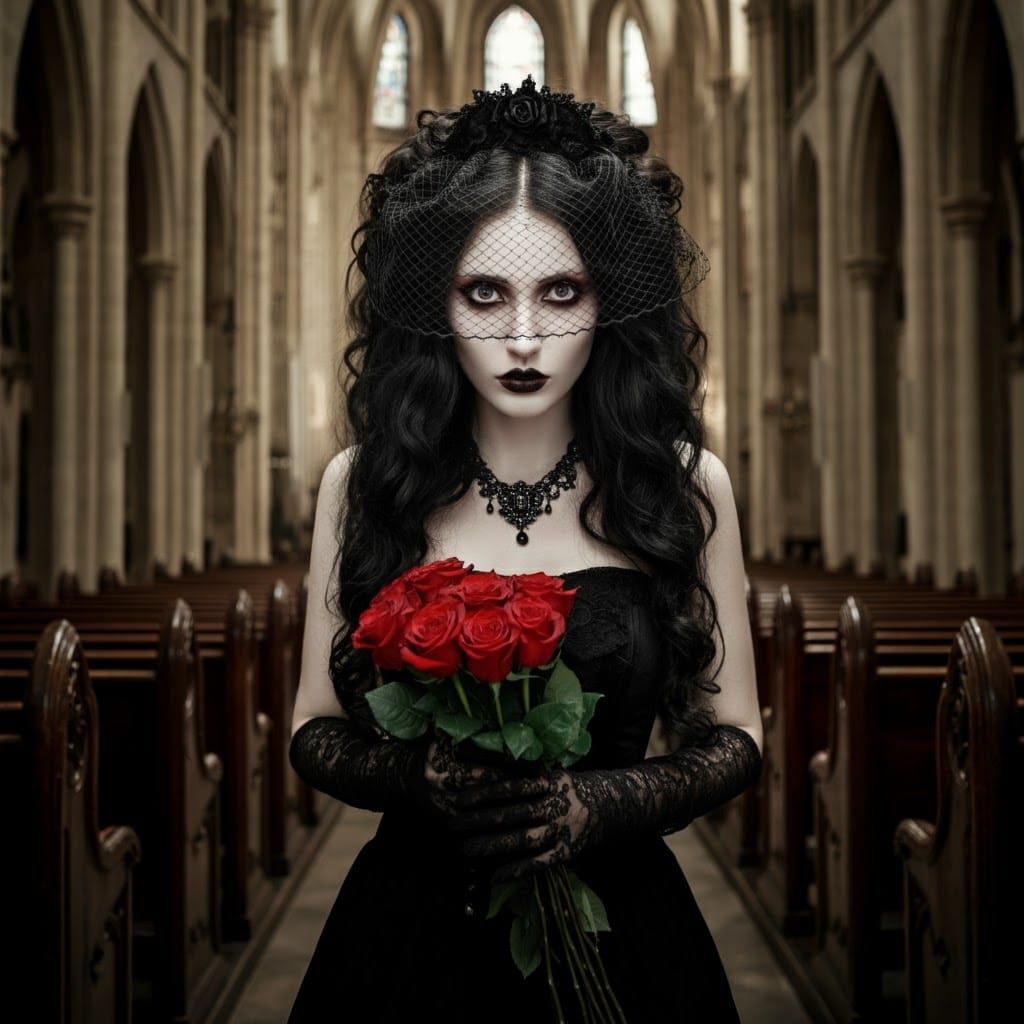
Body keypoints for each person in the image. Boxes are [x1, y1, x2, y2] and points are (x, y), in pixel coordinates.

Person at [286, 76, 763, 1022]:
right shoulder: (363, 482)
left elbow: (737, 738)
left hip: (623, 937)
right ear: (434, 302)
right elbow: (311, 728)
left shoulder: (683, 484)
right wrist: (419, 780)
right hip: (406, 941)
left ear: (611, 297)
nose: (523, 336)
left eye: (561, 291)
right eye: (484, 292)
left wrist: (601, 807)